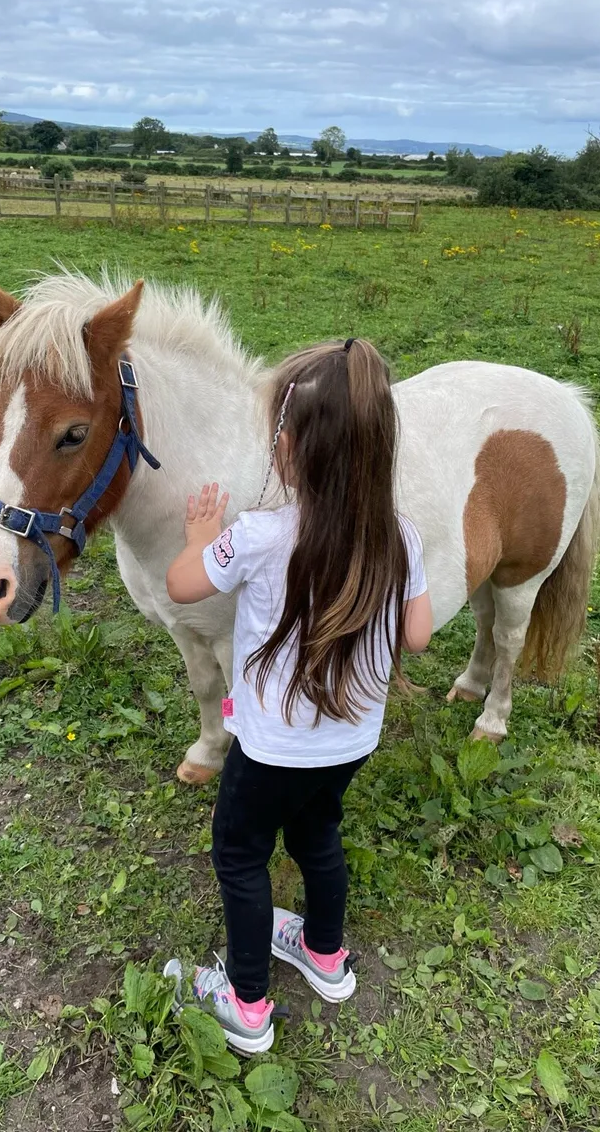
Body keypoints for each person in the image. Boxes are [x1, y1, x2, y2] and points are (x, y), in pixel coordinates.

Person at [163, 338, 432, 1054]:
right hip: (349, 745)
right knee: (319, 837)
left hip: (269, 749)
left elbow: (182, 587)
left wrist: (198, 537)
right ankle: (325, 954)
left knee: (241, 853)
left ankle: (246, 1002)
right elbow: (420, 635)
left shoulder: (256, 536)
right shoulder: (401, 540)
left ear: (288, 449)